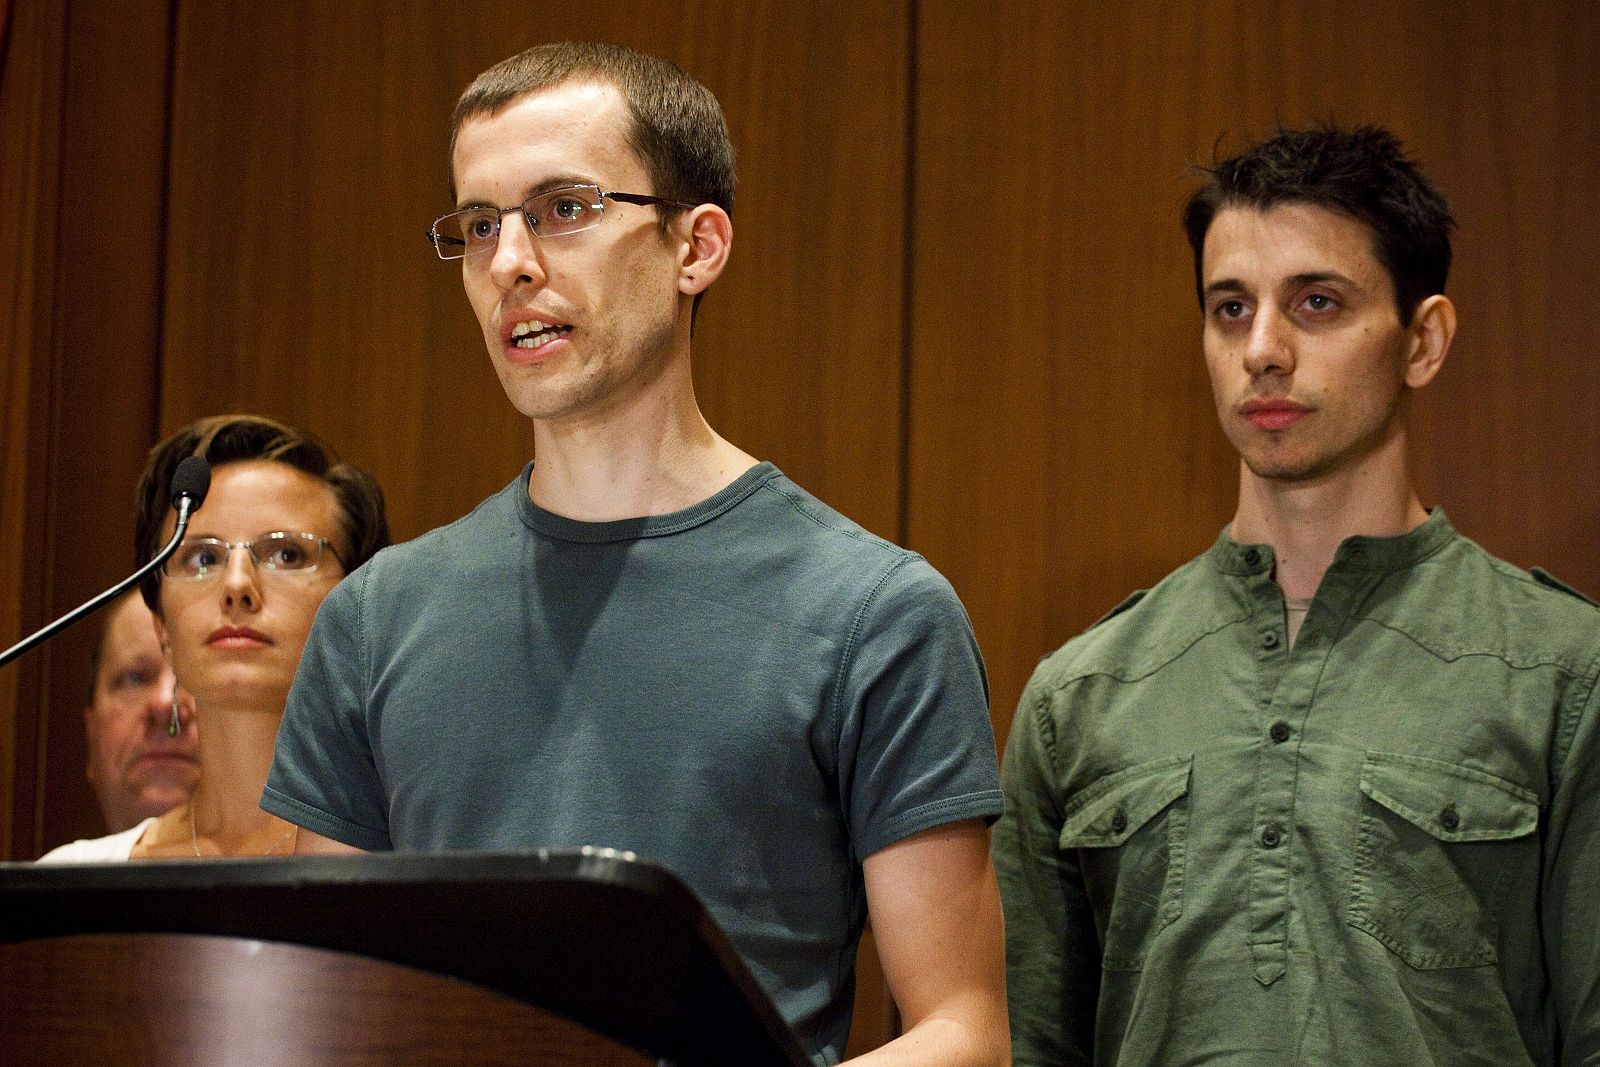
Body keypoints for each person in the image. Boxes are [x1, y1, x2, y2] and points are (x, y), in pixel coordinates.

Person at [263, 42, 1007, 1067]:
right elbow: (324, 1011)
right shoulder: (374, 617)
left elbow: (963, 1032)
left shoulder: (874, 609)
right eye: (480, 225)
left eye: (563, 208)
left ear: (696, 246)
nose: (510, 263)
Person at [993, 124, 1600, 1066]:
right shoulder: (1081, 694)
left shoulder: (1566, 674)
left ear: (1425, 341)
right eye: (1230, 308)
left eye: (1317, 302)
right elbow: (1026, 1045)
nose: (1263, 350)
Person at [40, 414, 388, 863]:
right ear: (162, 626)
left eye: (286, 554)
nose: (237, 585)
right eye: (202, 557)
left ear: (355, 607)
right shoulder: (72, 879)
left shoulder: (419, 861)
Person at [81, 590, 200, 833]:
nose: (166, 703)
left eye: (194, 675)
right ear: (91, 734)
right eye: (135, 678)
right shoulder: (56, 868)